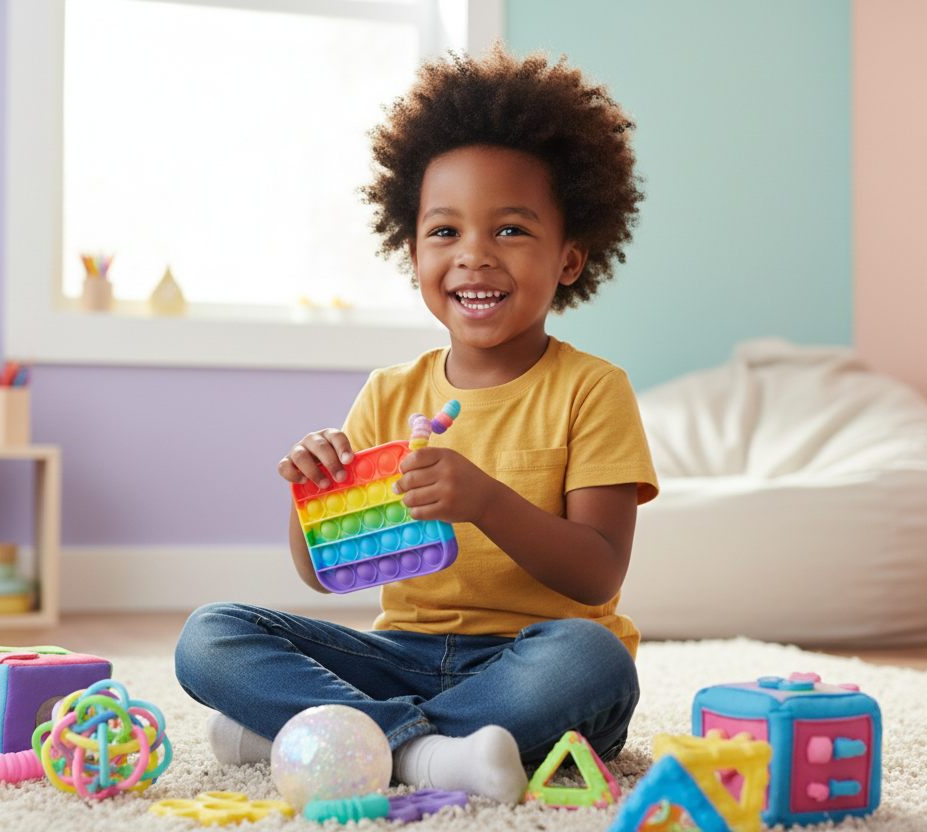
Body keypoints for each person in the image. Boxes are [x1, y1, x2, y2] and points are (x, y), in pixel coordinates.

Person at [175, 44, 657, 805]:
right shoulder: (388, 391)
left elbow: (598, 571)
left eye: (509, 231)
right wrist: (316, 495)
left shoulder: (593, 389)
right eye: (445, 232)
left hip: (530, 662)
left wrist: (488, 502)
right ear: (411, 250)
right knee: (211, 634)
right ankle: (426, 753)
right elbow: (319, 574)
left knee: (593, 661)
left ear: (569, 258)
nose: (473, 257)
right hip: (397, 652)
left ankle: (326, 740)